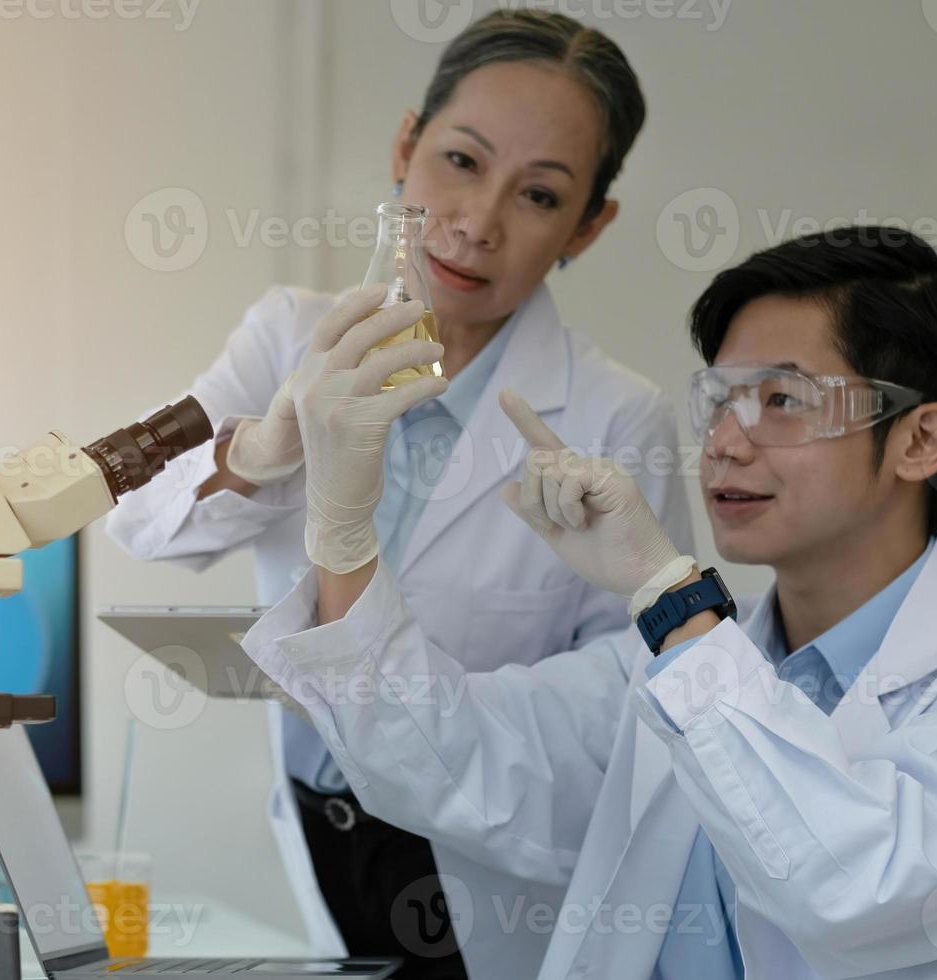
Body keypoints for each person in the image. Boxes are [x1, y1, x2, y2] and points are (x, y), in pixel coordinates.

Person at [243, 227, 937, 977]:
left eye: (783, 401)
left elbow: (858, 885)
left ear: (921, 439)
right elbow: (436, 753)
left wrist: (670, 598)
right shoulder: (660, 669)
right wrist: (345, 526)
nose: (725, 441)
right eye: (721, 398)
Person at [106, 10, 693, 978]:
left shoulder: (614, 416)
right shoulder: (288, 335)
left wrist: (420, 708)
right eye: (459, 160)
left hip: (477, 858)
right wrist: (255, 450)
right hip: (315, 823)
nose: (477, 221)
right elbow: (138, 515)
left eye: (538, 194)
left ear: (587, 225)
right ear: (404, 144)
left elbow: (619, 710)